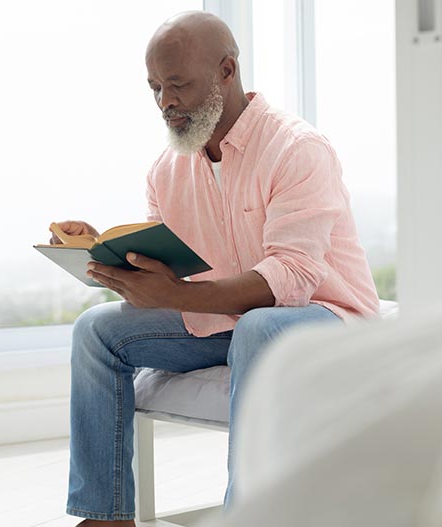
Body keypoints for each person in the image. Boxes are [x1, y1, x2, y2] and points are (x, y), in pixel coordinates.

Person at [53, 10, 379, 527]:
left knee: (259, 324)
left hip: (323, 319)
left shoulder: (298, 150)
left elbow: (291, 281)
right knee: (96, 330)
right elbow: (168, 266)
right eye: (155, 87)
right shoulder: (166, 169)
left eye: (178, 84)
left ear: (227, 71)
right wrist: (104, 251)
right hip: (226, 322)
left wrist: (173, 295)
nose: (165, 102)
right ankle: (106, 516)